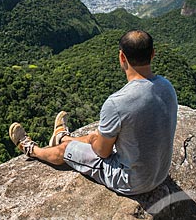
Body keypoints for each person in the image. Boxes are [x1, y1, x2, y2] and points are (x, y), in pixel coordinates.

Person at [9, 30, 178, 195]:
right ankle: (61, 137)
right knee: (93, 137)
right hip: (160, 173)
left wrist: (96, 140)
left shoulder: (117, 103)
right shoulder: (167, 87)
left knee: (68, 148)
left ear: (121, 57)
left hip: (131, 181)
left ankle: (32, 150)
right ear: (153, 54)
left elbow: (102, 152)